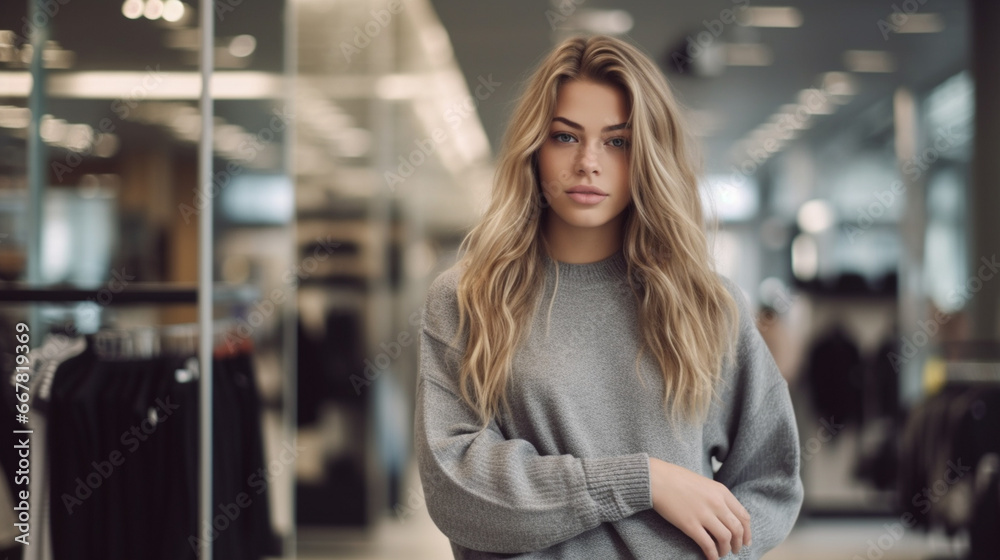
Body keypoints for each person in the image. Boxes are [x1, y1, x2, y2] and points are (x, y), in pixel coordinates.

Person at [413, 34, 803, 559]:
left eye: (617, 141)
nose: (589, 163)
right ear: (534, 147)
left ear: (647, 154)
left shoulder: (707, 304)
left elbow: (771, 479)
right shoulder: (469, 298)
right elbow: (456, 488)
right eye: (566, 137)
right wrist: (641, 480)